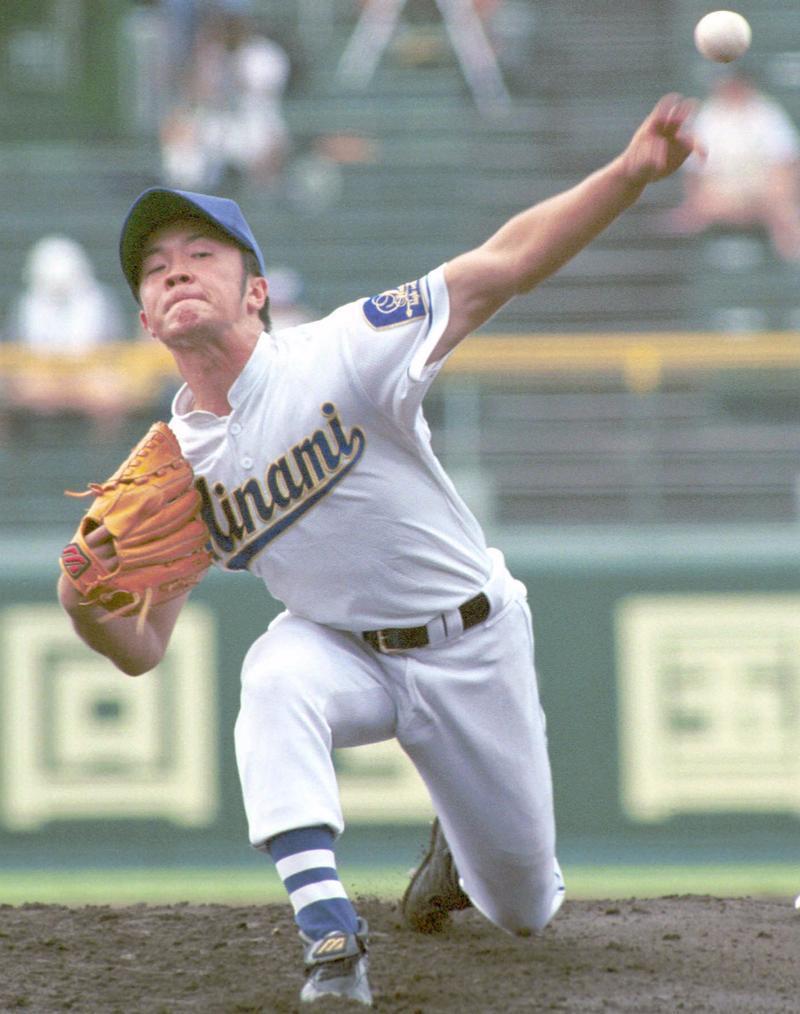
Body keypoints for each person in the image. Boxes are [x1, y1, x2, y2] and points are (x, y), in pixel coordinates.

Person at [57, 93, 698, 1006]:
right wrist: (83, 608)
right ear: (146, 320)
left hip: (469, 640)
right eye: (155, 270)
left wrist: (629, 175)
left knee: (522, 907)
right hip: (337, 649)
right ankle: (329, 937)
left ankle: (456, 849)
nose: (176, 272)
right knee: (272, 677)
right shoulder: (170, 472)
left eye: (202, 254)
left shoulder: (343, 351)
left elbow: (504, 265)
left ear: (256, 291)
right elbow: (144, 648)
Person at [664, 72, 800, 260]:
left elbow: (785, 162)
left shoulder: (767, 113)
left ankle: (793, 264)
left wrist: (777, 197)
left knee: (786, 213)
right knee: (685, 217)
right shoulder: (707, 117)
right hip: (721, 195)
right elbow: (695, 171)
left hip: (764, 192)